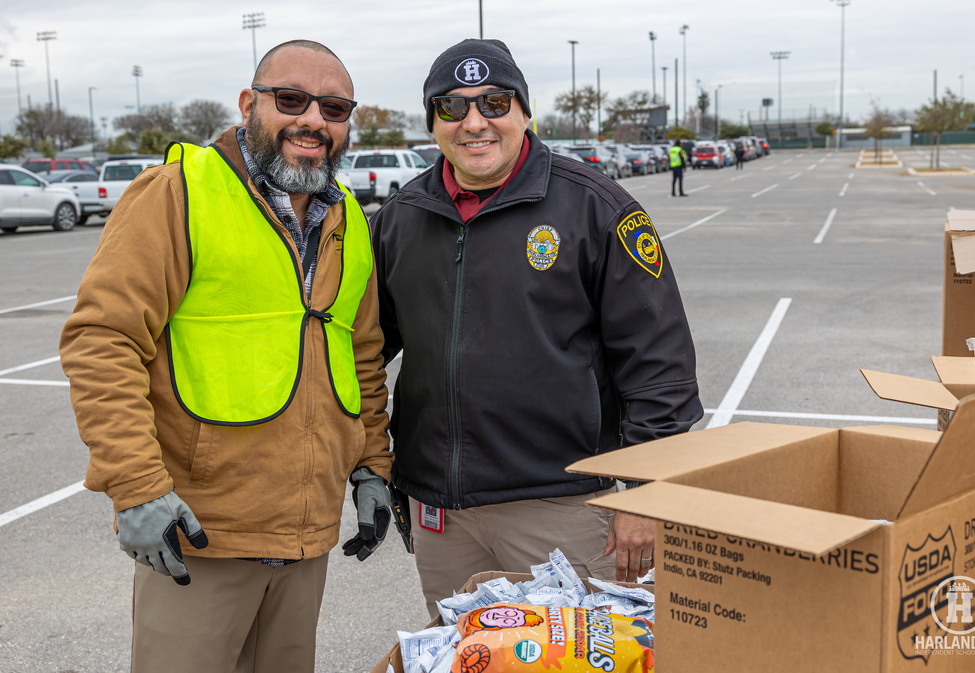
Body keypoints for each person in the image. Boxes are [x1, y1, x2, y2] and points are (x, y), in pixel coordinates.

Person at [59, 40, 393, 673]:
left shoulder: (346, 215)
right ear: (250, 104)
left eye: (335, 107)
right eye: (291, 100)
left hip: (305, 535)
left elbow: (361, 351)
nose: (313, 121)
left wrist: (372, 464)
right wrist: (134, 487)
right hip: (199, 535)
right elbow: (102, 340)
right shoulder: (178, 192)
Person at [370, 38, 702, 615]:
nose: (474, 122)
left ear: (525, 112)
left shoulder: (594, 206)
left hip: (563, 508)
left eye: (495, 103)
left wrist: (649, 493)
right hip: (443, 515)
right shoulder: (402, 218)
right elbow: (360, 349)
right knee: (462, 654)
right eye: (452, 107)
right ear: (432, 125)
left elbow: (659, 359)